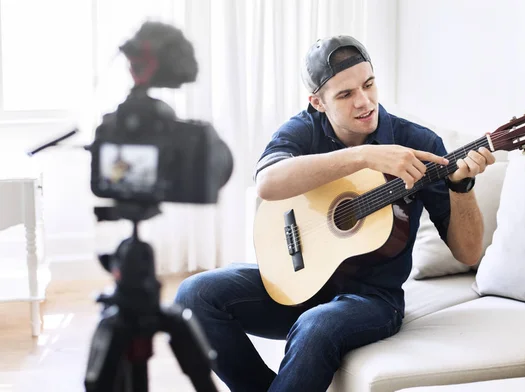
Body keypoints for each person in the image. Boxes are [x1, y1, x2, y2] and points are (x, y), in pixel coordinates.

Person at [174, 35, 495, 392]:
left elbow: (468, 253)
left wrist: (461, 187)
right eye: (345, 95)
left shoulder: (419, 144)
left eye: (369, 85)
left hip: (372, 300)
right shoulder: (304, 129)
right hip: (299, 283)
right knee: (193, 295)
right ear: (318, 102)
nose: (364, 102)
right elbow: (267, 182)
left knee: (317, 324)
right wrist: (364, 157)